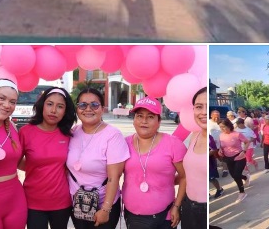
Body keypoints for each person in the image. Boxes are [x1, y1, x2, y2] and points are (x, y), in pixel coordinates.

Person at [67, 88, 129, 229]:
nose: (88, 109)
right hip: (77, 205)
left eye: (94, 105)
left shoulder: (113, 135)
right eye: (82, 105)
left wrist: (106, 209)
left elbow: (114, 177)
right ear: (77, 109)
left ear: (102, 109)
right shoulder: (72, 132)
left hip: (103, 206)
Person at [122, 96, 186, 228]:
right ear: (134, 120)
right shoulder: (123, 143)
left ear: (159, 121)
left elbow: (185, 176)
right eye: (139, 116)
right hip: (132, 215)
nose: (144, 121)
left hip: (164, 215)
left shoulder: (173, 144)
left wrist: (177, 205)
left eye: (150, 117)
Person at [19, 87, 76, 229]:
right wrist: (36, 166)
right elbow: (16, 161)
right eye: (49, 104)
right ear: (42, 105)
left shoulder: (69, 134)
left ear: (65, 111)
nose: (53, 110)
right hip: (33, 201)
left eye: (60, 106)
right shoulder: (26, 132)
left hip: (61, 202)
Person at [0, 78, 27, 229]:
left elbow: (17, 161)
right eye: (1, 98)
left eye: (12, 101)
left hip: (15, 200)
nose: (7, 105)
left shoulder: (12, 125)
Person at [180, 88, 207, 228]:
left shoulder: (213, 138)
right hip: (188, 207)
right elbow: (187, 174)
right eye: (198, 107)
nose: (203, 112)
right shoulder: (194, 135)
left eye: (208, 106)